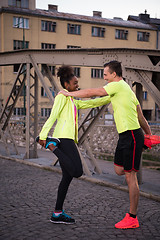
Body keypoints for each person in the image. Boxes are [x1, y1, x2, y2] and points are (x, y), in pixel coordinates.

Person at [59, 61, 152, 229]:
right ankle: (140, 148)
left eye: (105, 75)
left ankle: (132, 217)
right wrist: (149, 133)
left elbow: (94, 92)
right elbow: (140, 116)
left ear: (114, 75)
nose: (104, 78)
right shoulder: (126, 91)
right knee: (118, 170)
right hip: (126, 136)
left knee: (130, 176)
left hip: (132, 134)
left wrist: (69, 94)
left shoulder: (118, 86)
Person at [36, 65, 110, 224]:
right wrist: (43, 136)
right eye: (75, 83)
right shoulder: (62, 97)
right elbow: (52, 116)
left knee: (67, 178)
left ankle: (57, 213)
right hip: (63, 139)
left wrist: (111, 96)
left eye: (77, 83)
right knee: (77, 171)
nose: (77, 85)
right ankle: (51, 146)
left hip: (67, 139)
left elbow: (92, 104)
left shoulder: (73, 101)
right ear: (67, 85)